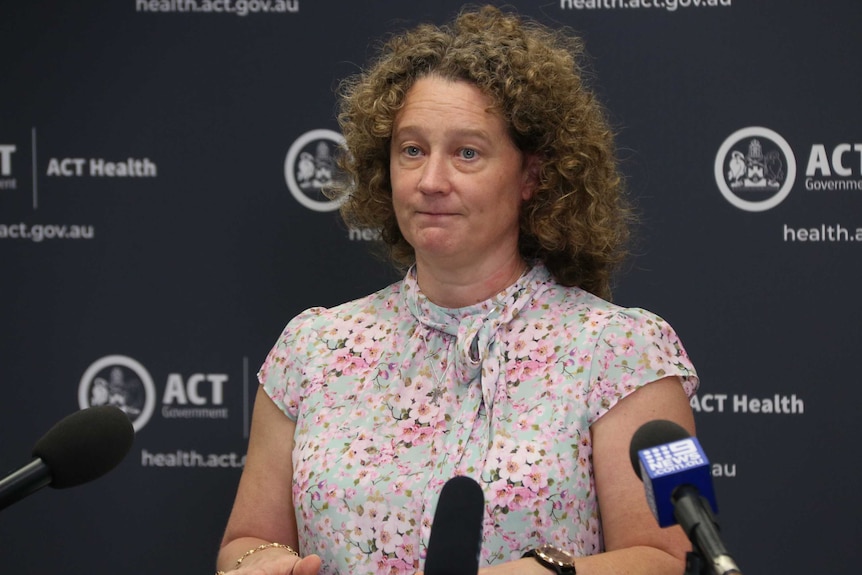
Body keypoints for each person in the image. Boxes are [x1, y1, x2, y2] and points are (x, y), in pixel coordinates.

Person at [218, 5, 699, 575]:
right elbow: (244, 542)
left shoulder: (628, 350)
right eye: (412, 150)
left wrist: (545, 572)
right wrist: (258, 564)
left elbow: (674, 558)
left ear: (533, 176)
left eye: (467, 153)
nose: (430, 181)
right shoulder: (313, 346)